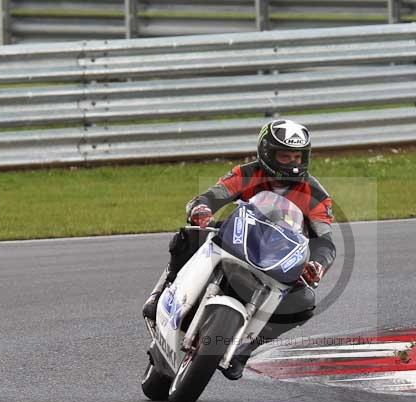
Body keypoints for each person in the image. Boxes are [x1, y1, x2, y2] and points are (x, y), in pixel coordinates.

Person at [142, 119, 336, 380]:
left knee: (304, 301)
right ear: (267, 153)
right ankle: (163, 291)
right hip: (238, 236)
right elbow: (212, 196)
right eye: (284, 155)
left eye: (297, 156)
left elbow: (325, 240)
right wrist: (201, 209)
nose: (291, 162)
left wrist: (318, 265)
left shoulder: (315, 193)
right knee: (189, 237)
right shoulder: (247, 173)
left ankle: (245, 349)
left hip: (277, 256)